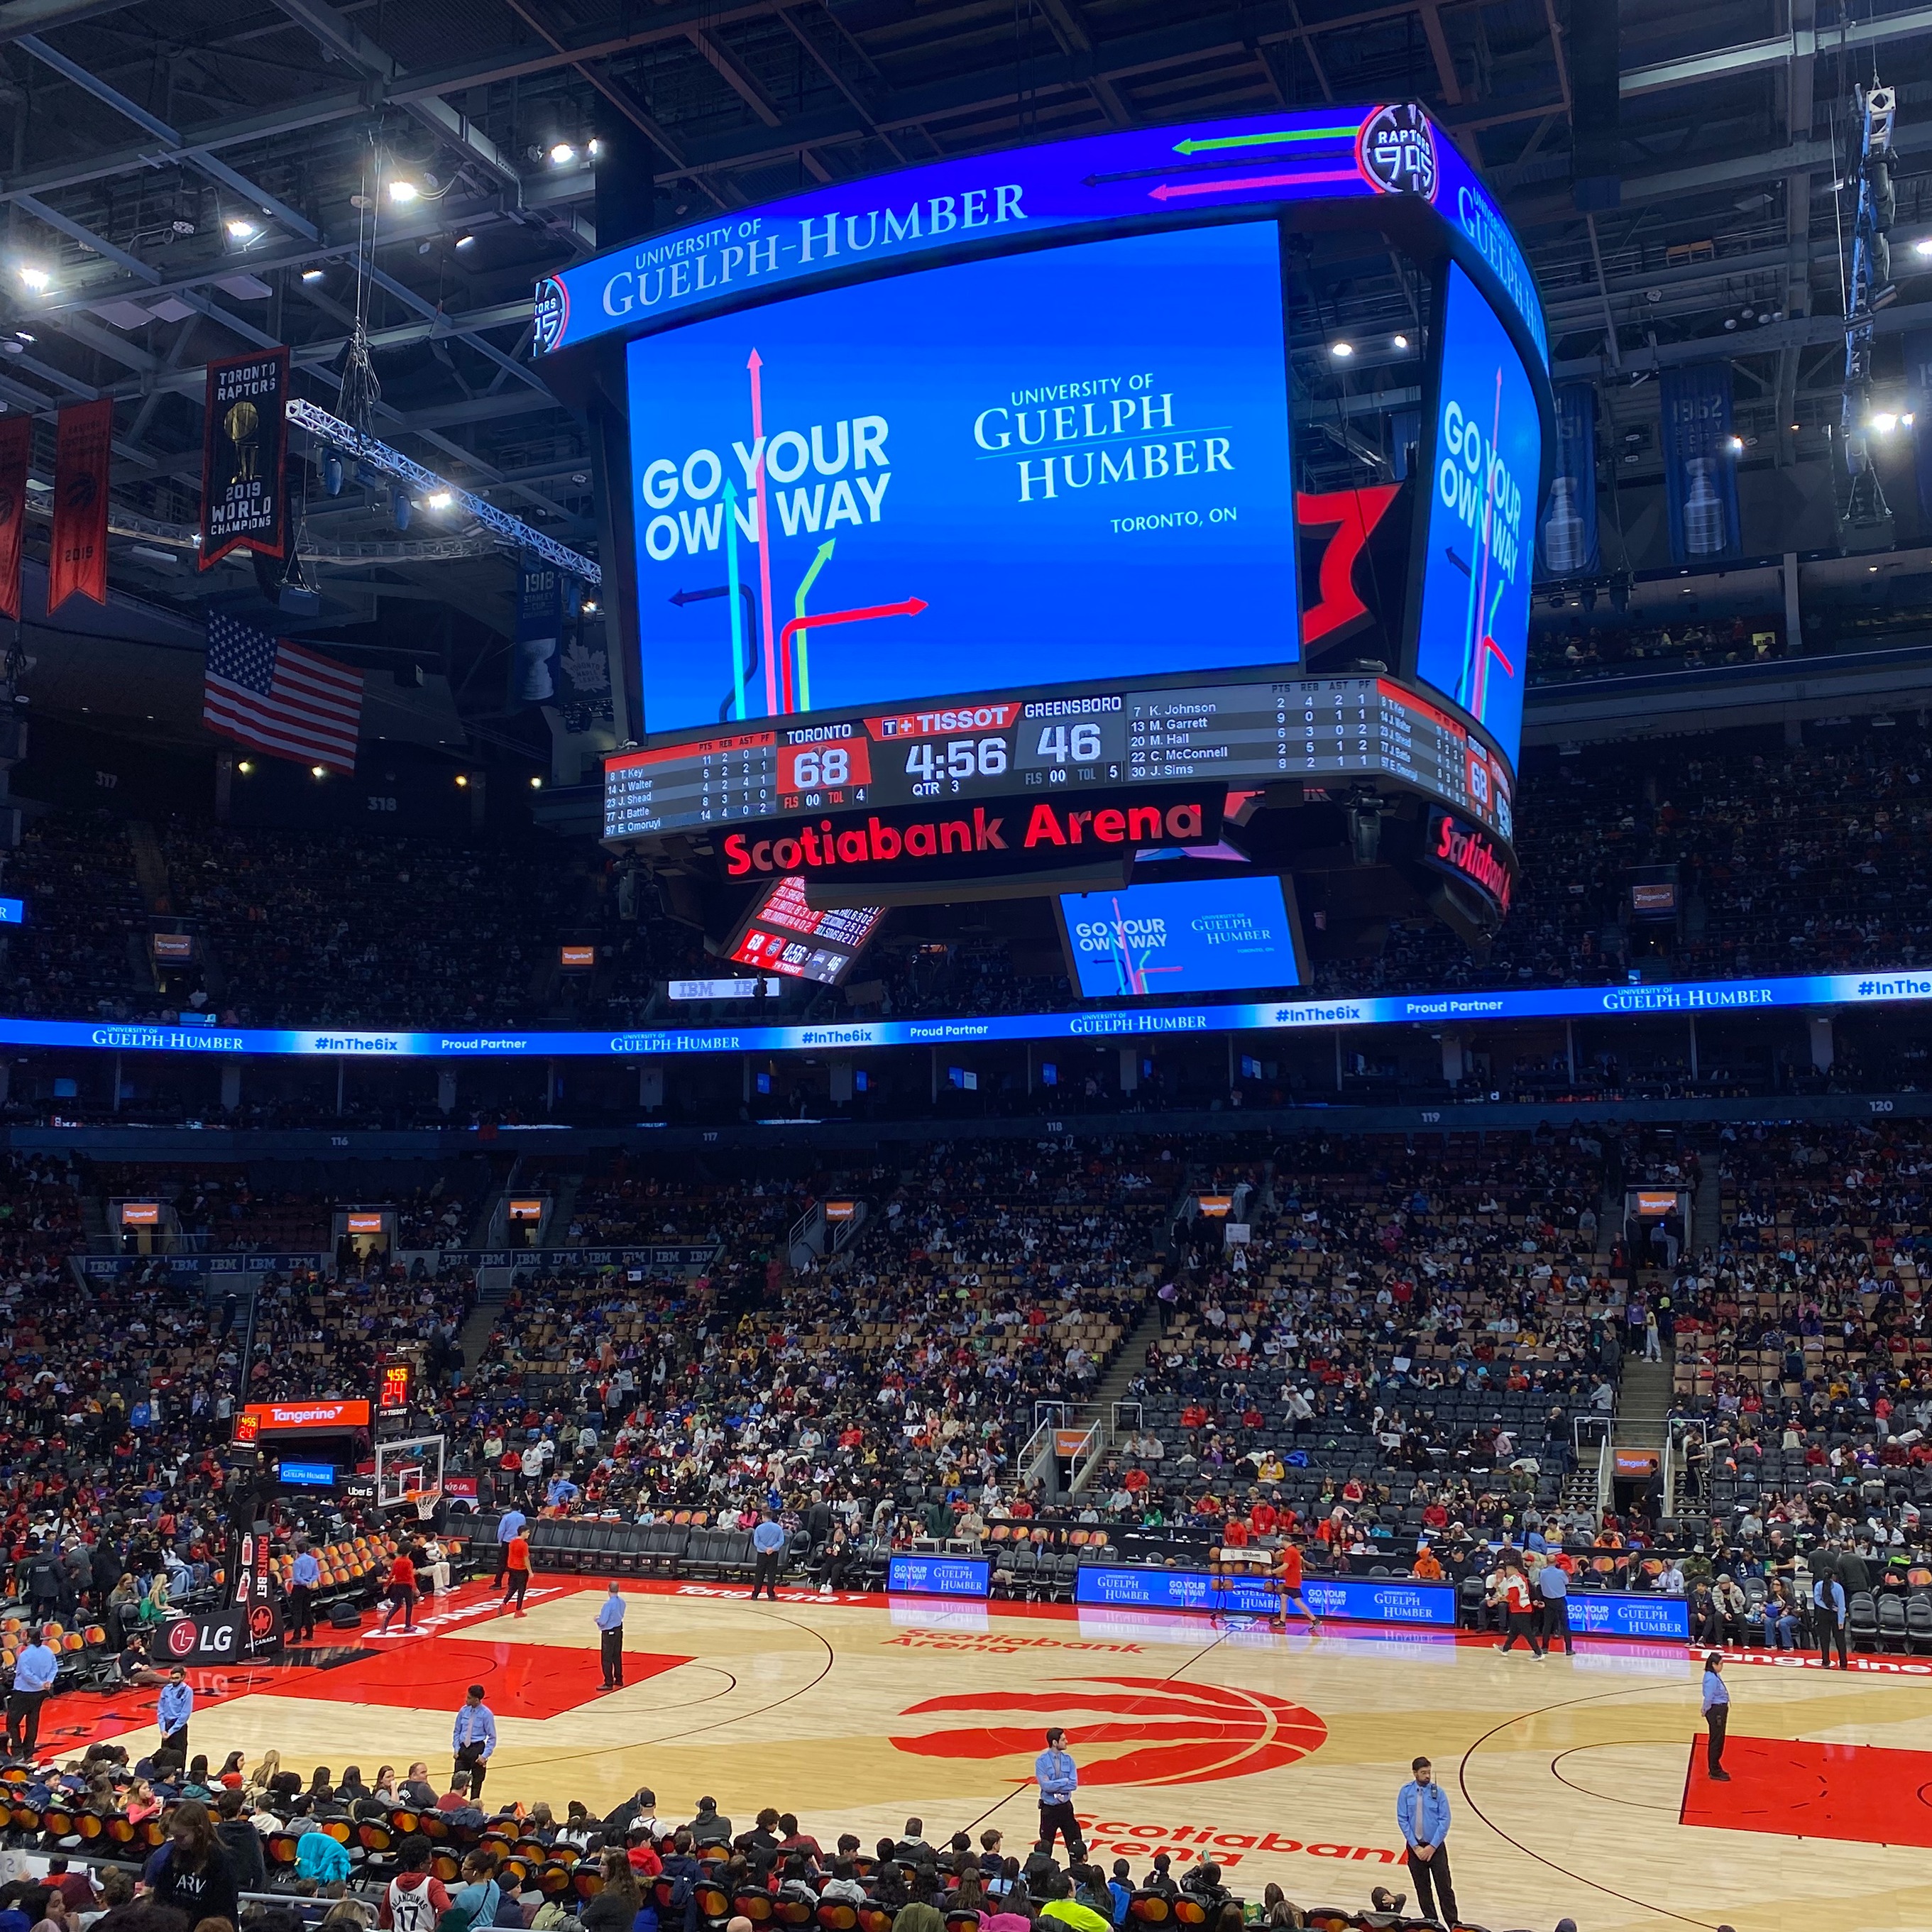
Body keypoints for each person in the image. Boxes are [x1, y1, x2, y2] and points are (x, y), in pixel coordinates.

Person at [150, 1800, 239, 1928]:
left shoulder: (220, 1859)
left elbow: (225, 1907)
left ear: (199, 1831)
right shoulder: (176, 1853)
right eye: (174, 1836)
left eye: (181, 1837)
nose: (176, 1841)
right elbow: (161, 1895)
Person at [1395, 1757, 1457, 1928]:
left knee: (1444, 1888)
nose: (1427, 1776)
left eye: (1429, 1772)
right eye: (1423, 1773)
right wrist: (1415, 1846)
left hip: (1435, 1848)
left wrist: (1432, 1847)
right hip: (1415, 1849)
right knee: (1423, 1888)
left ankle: (1453, 1923)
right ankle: (1432, 1923)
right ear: (1415, 1773)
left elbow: (1445, 1821)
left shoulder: (1439, 1793)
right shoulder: (1406, 1792)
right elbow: (1402, 1819)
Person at [1033, 1727, 1087, 1865]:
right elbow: (1045, 1786)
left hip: (1065, 1808)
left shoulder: (1069, 1760)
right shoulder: (1042, 1761)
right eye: (1063, 1739)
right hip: (1049, 1809)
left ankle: (1076, 1873)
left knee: (1074, 1844)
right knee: (1046, 1846)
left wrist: (1054, 1784)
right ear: (1055, 1742)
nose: (1067, 1741)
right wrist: (1064, 1782)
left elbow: (1073, 1784)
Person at [7, 1625, 60, 1757]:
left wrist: (41, 1683)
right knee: (32, 1720)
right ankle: (29, 1750)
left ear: (29, 1639)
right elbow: (55, 1667)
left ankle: (17, 1751)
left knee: (12, 1722)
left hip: (24, 1692)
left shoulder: (24, 1655)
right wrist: (48, 1682)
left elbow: (27, 1675)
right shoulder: (48, 1651)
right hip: (41, 1692)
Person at [379, 1836, 451, 1932]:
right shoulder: (432, 1884)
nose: (431, 1866)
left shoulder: (393, 1884)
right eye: (429, 1863)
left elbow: (384, 1920)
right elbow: (447, 1911)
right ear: (421, 1865)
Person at [451, 1686, 496, 1806]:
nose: (466, 1699)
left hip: (477, 1750)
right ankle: (453, 1807)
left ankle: (473, 1812)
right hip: (463, 1749)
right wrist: (456, 1748)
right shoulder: (463, 1711)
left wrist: (484, 1756)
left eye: (469, 1698)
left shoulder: (487, 1714)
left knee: (476, 1785)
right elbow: (457, 1731)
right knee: (457, 1782)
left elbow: (492, 1737)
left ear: (477, 1700)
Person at [1270, 1538, 1321, 1631]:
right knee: (1284, 1598)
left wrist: (1272, 1571)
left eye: (1282, 1542)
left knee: (1297, 1602)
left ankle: (1314, 1620)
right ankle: (1282, 1621)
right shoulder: (1292, 1550)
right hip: (1291, 1579)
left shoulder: (1290, 1551)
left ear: (1285, 1541)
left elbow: (1285, 1566)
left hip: (1293, 1580)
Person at [1498, 1562, 1544, 1657]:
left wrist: (1503, 1599)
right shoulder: (1521, 1577)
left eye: (1507, 1569)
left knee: (1527, 1632)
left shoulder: (1512, 1580)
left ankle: (1538, 1652)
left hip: (1519, 1609)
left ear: (1512, 1568)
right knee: (1514, 1631)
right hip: (1524, 1607)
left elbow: (1513, 1596)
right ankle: (1506, 1648)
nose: (1506, 1572)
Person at [1813, 1565, 1849, 1669]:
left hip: (1824, 1613)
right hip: (1835, 1614)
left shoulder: (1818, 1585)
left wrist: (1828, 1607)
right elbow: (1842, 1606)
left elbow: (1817, 1600)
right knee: (1840, 1640)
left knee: (1825, 1639)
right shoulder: (1838, 1587)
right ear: (1833, 1576)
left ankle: (1826, 1662)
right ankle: (1843, 1664)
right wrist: (1840, 1620)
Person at [1701, 1650, 1730, 1781]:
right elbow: (1709, 1697)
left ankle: (1715, 1767)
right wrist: (1705, 1709)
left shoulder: (1714, 1675)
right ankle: (1714, 1770)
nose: (1722, 1666)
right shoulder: (1711, 1678)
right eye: (1721, 1664)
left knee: (1719, 1739)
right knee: (1716, 1741)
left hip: (1719, 1709)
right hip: (1716, 1710)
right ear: (1713, 1664)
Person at [1537, 1554, 1574, 1656]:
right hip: (1560, 1600)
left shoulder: (1542, 1573)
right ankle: (1569, 1649)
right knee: (1565, 1625)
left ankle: (1545, 1648)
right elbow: (1566, 1582)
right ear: (1557, 1562)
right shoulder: (1561, 1573)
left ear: (1547, 1562)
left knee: (1547, 1625)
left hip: (1548, 1600)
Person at [595, 1583, 627, 1690]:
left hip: (609, 1632)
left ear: (608, 1589)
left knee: (607, 1658)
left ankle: (608, 1683)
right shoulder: (622, 1602)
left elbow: (603, 1621)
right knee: (617, 1656)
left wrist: (597, 1620)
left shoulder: (608, 1605)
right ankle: (619, 1679)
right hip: (619, 1630)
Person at [380, 1548, 419, 1635]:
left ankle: (386, 1623)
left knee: (397, 1605)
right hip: (407, 1585)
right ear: (409, 1551)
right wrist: (415, 1588)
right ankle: (408, 1625)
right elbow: (410, 1576)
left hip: (397, 1585)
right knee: (409, 1605)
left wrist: (387, 1584)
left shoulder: (396, 1561)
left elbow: (392, 1574)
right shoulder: (409, 1562)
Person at [290, 1541, 322, 1645]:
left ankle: (297, 1636)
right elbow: (316, 1573)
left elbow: (297, 1577)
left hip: (299, 1588)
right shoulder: (313, 1560)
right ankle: (310, 1633)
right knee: (307, 1610)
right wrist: (310, 1582)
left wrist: (304, 1583)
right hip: (308, 1587)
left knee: (297, 1612)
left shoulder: (297, 1562)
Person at [158, 1667, 194, 1759]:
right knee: (164, 1756)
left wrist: (171, 1731)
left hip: (179, 1728)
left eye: (176, 1678)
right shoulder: (166, 1689)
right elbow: (160, 1710)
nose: (174, 1681)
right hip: (166, 1726)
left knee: (179, 1757)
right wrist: (163, 1729)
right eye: (172, 1678)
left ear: (182, 1677)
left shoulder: (187, 1691)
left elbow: (185, 1714)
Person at [750, 1510, 786, 1601]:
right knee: (771, 1574)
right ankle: (771, 1595)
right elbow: (781, 1541)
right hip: (773, 1554)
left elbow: (756, 1542)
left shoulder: (759, 1528)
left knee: (759, 1574)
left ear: (764, 1517)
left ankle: (755, 1594)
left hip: (762, 1554)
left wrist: (765, 1549)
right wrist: (772, 1548)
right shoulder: (778, 1528)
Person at [495, 1506, 527, 1588]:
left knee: (502, 1563)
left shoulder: (506, 1517)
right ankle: (512, 1583)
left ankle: (498, 1582)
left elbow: (501, 1530)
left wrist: (500, 1541)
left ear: (511, 1509)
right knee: (515, 1562)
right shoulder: (522, 1517)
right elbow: (523, 1529)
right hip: (518, 1541)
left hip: (507, 1542)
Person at [502, 1528, 532, 1616]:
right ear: (522, 1533)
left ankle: (504, 1603)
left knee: (513, 1588)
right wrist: (530, 1571)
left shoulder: (512, 1542)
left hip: (512, 1567)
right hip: (521, 1569)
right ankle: (518, 1611)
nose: (529, 1534)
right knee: (521, 1590)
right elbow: (526, 1559)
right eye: (527, 1532)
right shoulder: (524, 1544)